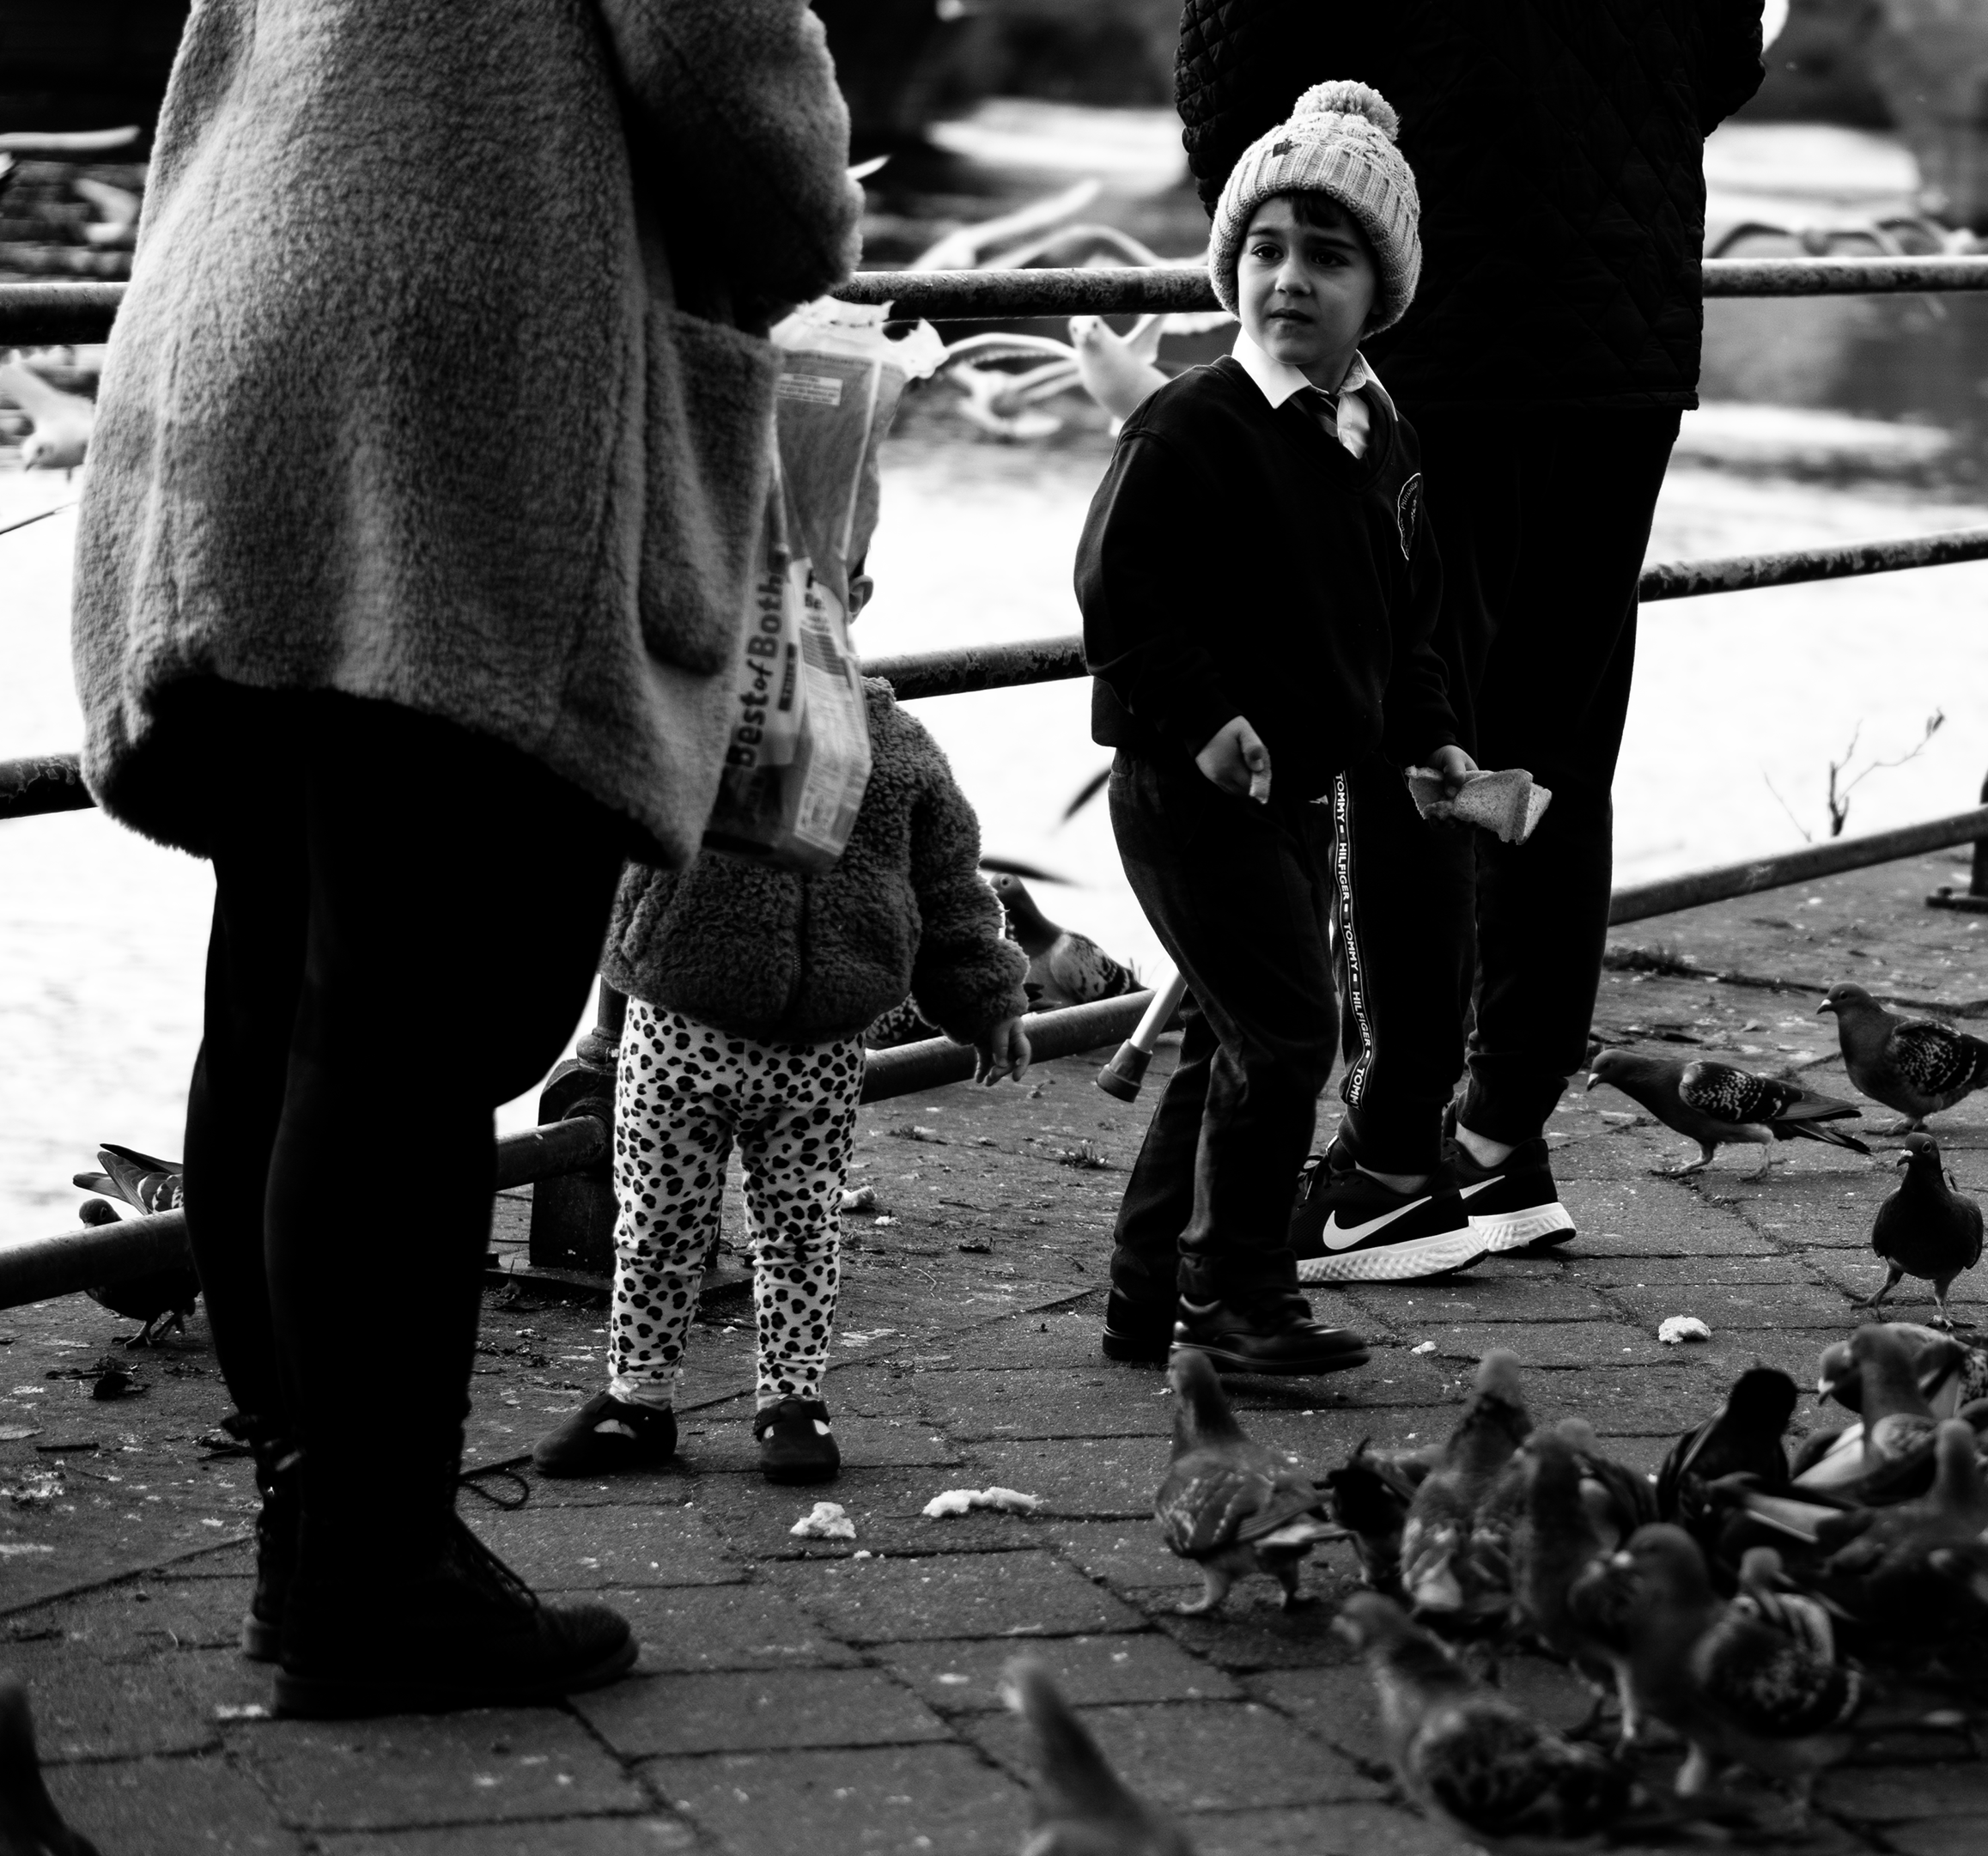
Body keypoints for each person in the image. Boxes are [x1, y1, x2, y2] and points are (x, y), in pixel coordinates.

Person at [65, 0, 857, 1716]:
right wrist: (812, 214)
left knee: (283, 967)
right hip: (464, 370)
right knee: (417, 1015)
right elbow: (741, 106)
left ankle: (327, 1526)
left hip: (244, 334)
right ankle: (372, 1569)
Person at [1176, 0, 1768, 1256]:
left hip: (1433, 334)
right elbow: (1719, 53)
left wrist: (1307, 270)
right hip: (1622, 334)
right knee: (1551, 737)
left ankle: (1393, 1155)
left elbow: (1236, 99)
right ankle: (1500, 1135)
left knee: (1410, 743)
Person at [1079, 81, 1479, 1373]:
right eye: (1265, 251)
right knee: (1294, 1034)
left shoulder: (1379, 436)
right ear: (1231, 269)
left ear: (1382, 291)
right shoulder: (1192, 425)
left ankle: (1153, 1297)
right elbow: (1116, 592)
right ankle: (1238, 1298)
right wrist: (1203, 718)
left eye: (1327, 255)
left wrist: (1428, 736)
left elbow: (1402, 621)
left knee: (1233, 1038)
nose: (1290, 280)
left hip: (1300, 793)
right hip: (1189, 789)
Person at [531, 500, 1031, 1487]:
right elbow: (607, 808)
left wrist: (985, 997)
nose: (794, 607)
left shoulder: (900, 752)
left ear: (861, 596)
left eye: (823, 587)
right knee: (658, 1224)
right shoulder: (693, 709)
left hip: (821, 1046)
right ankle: (639, 1397)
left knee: (800, 1230)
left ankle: (792, 1396)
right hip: (682, 1022)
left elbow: (949, 892)